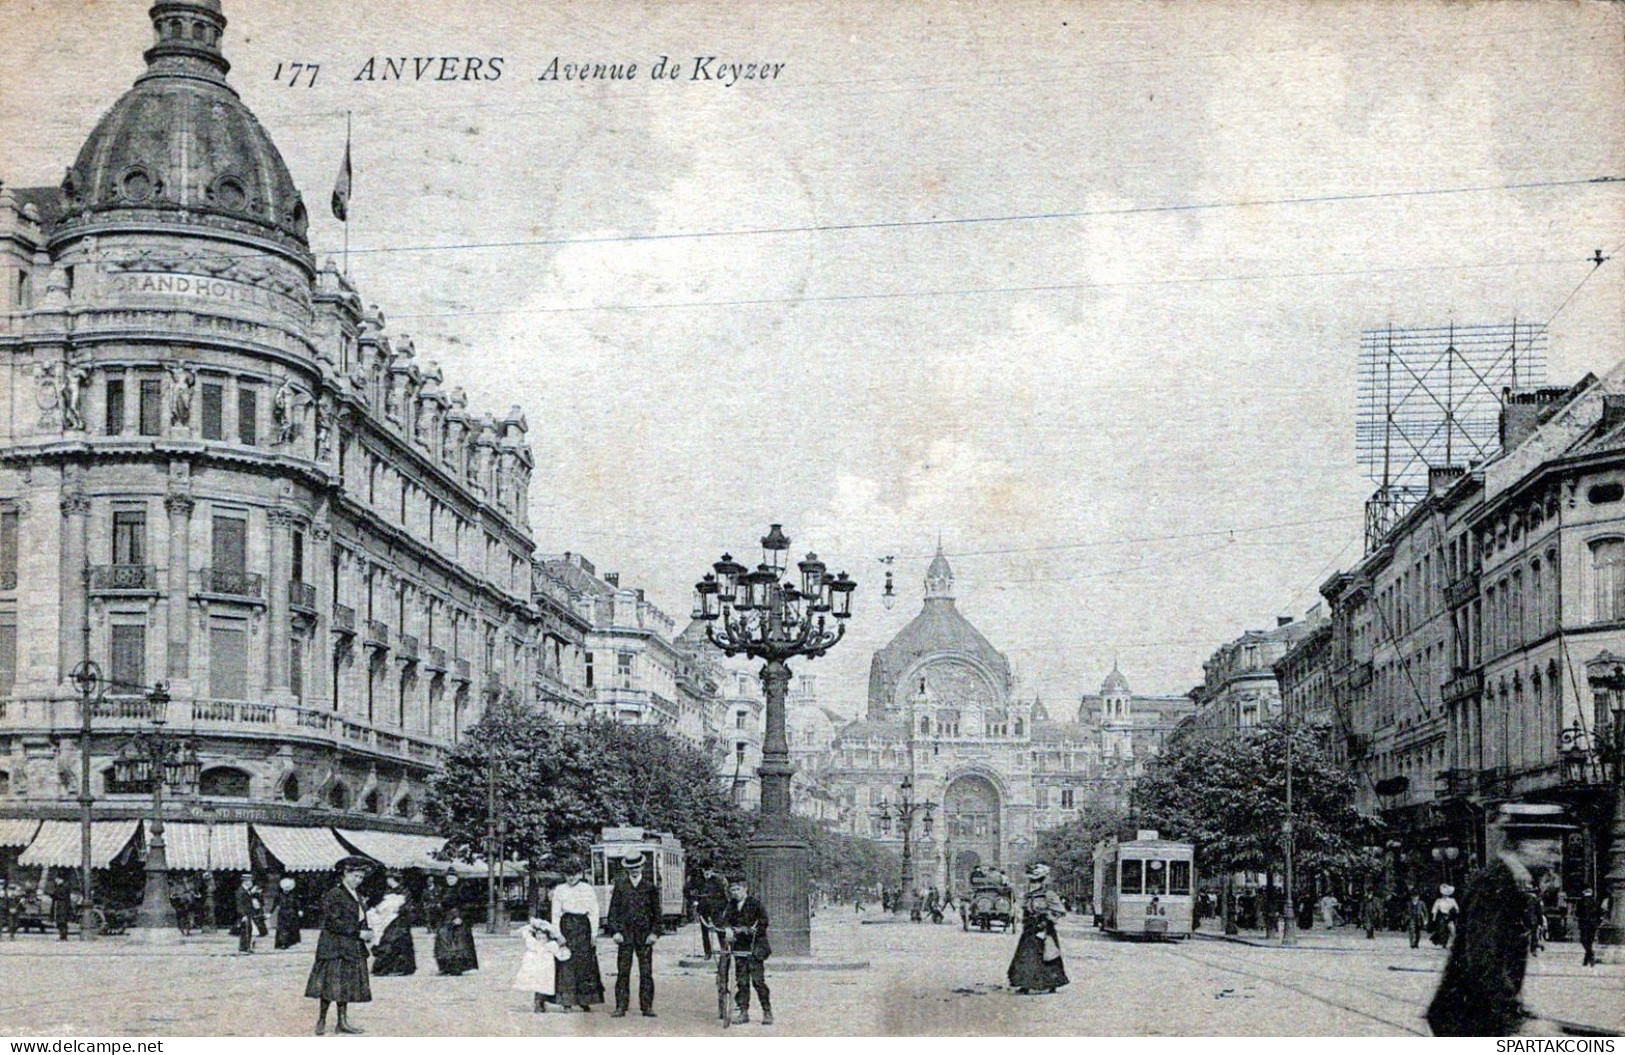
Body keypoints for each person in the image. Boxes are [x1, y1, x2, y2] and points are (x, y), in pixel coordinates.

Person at [1426, 804, 1574, 1036]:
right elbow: (1484, 958)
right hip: (1468, 1020)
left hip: (1481, 1017)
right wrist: (1516, 1019)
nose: (1556, 858)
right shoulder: (1495, 883)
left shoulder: (1510, 881)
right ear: (1527, 846)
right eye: (1552, 849)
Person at [306, 856, 374, 1036]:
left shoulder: (357, 895)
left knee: (345, 984)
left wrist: (367, 931)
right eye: (355, 876)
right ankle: (321, 1020)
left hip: (350, 946)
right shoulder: (335, 894)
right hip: (334, 946)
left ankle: (342, 1021)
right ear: (345, 874)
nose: (358, 880)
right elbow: (332, 922)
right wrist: (358, 933)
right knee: (329, 985)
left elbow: (359, 918)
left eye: (361, 877)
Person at [606, 852, 661, 1018]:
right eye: (631, 868)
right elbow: (612, 912)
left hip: (645, 937)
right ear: (627, 869)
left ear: (642, 867)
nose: (634, 870)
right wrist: (615, 931)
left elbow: (657, 913)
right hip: (625, 935)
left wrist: (654, 933)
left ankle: (647, 1007)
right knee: (623, 972)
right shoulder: (620, 886)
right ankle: (621, 1006)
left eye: (637, 867)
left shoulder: (650, 887)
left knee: (646, 972)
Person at [718, 874, 772, 1025]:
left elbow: (763, 922)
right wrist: (727, 929)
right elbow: (724, 920)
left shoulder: (755, 904)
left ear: (745, 889)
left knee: (758, 981)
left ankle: (767, 1011)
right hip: (740, 948)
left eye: (737, 889)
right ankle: (743, 1012)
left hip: (755, 948)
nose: (734, 892)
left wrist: (749, 930)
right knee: (741, 981)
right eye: (732, 890)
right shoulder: (731, 905)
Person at [550, 860, 604, 1011]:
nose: (571, 878)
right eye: (568, 875)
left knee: (585, 963)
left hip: (583, 927)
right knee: (566, 963)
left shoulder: (588, 889)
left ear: (580, 874)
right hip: (566, 925)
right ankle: (566, 1001)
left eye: (574, 874)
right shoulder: (560, 890)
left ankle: (584, 999)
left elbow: (594, 912)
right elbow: (555, 914)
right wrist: (558, 935)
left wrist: (594, 934)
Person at [1007, 863, 1068, 995]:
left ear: (1042, 881)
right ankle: (1025, 984)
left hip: (1044, 929)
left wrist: (1048, 917)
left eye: (1036, 881)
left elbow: (1060, 910)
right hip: (1030, 928)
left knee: (1048, 956)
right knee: (1026, 955)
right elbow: (1022, 909)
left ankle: (1052, 983)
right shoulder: (1028, 895)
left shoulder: (1048, 895)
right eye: (1032, 881)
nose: (1034, 883)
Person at [512, 915, 571, 1012]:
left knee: (546, 984)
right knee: (537, 984)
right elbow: (525, 932)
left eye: (543, 935)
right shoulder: (533, 944)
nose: (541, 937)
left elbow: (561, 955)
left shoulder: (551, 945)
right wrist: (535, 925)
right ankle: (538, 1003)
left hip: (547, 969)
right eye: (538, 935)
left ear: (548, 936)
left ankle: (542, 1002)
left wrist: (563, 949)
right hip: (536, 968)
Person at [369, 871, 416, 976]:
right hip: (388, 920)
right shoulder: (388, 891)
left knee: (397, 942)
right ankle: (386, 968)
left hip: (401, 920)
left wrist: (399, 910)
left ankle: (401, 968)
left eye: (389, 878)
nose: (387, 881)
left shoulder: (404, 891)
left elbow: (409, 906)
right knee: (388, 941)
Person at [432, 871, 478, 976]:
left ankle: (458, 967)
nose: (450, 880)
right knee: (443, 942)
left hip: (458, 918)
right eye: (448, 878)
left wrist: (461, 917)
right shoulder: (444, 890)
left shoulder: (463, 889)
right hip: (446, 919)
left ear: (457, 878)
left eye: (452, 878)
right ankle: (445, 967)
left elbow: (469, 905)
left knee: (458, 943)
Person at [695, 866, 728, 960]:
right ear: (702, 870)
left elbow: (723, 896)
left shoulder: (717, 880)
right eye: (705, 870)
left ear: (712, 870)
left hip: (715, 909)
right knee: (704, 931)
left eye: (708, 870)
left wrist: (721, 907)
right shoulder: (699, 881)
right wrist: (695, 901)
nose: (707, 872)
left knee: (719, 929)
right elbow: (691, 892)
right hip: (703, 909)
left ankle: (724, 950)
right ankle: (707, 952)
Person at [1574, 887, 1600, 968]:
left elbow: (1577, 913)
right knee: (1590, 940)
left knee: (1584, 940)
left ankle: (1590, 955)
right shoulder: (1595, 901)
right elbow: (1599, 913)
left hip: (1584, 923)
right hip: (1593, 924)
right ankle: (1587, 959)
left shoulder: (1581, 901)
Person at [234, 874, 260, 953]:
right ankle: (245, 947)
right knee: (247, 931)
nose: (251, 883)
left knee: (249, 930)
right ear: (246, 882)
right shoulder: (241, 891)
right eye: (250, 881)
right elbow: (239, 904)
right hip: (245, 914)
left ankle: (247, 947)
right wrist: (242, 915)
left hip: (249, 914)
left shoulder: (246, 890)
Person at [276, 877, 303, 949]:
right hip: (282, 913)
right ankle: (282, 943)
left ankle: (290, 943)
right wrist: (270, 912)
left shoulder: (293, 895)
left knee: (291, 928)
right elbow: (275, 904)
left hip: (291, 913)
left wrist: (299, 910)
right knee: (282, 929)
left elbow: (297, 903)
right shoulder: (279, 895)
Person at [1430, 884, 1460, 948]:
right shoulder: (1439, 900)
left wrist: (1455, 912)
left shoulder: (1452, 900)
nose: (1445, 895)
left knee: (1452, 931)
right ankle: (1441, 943)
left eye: (1447, 894)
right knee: (1441, 930)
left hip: (1450, 916)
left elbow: (1457, 909)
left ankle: (1450, 944)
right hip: (1442, 916)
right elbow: (1435, 909)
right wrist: (1434, 917)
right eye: (1444, 894)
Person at [50, 875, 73, 942]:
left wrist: (54, 895)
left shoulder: (63, 887)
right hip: (62, 906)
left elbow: (61, 896)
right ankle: (63, 936)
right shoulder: (64, 886)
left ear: (60, 879)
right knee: (62, 922)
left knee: (61, 922)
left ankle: (63, 936)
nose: (55, 881)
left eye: (57, 880)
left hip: (62, 906)